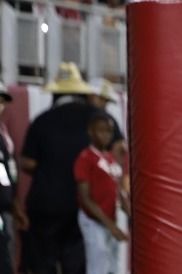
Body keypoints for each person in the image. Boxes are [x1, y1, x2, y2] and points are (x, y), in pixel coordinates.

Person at [20, 63, 120, 274]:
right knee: (78, 262)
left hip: (46, 205)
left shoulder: (42, 120)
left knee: (43, 262)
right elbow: (119, 148)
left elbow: (28, 162)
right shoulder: (99, 118)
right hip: (85, 205)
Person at [74, 111, 128, 274]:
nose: (106, 135)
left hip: (111, 217)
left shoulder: (111, 157)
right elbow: (85, 198)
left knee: (113, 265)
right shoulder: (85, 158)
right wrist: (110, 226)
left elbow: (118, 191)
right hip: (94, 219)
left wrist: (131, 213)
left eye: (109, 131)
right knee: (98, 264)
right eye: (101, 131)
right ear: (91, 131)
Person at [0, 80, 17, 272]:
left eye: (1, 101)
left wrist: (12, 201)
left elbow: (3, 171)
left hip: (1, 211)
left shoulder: (1, 133)